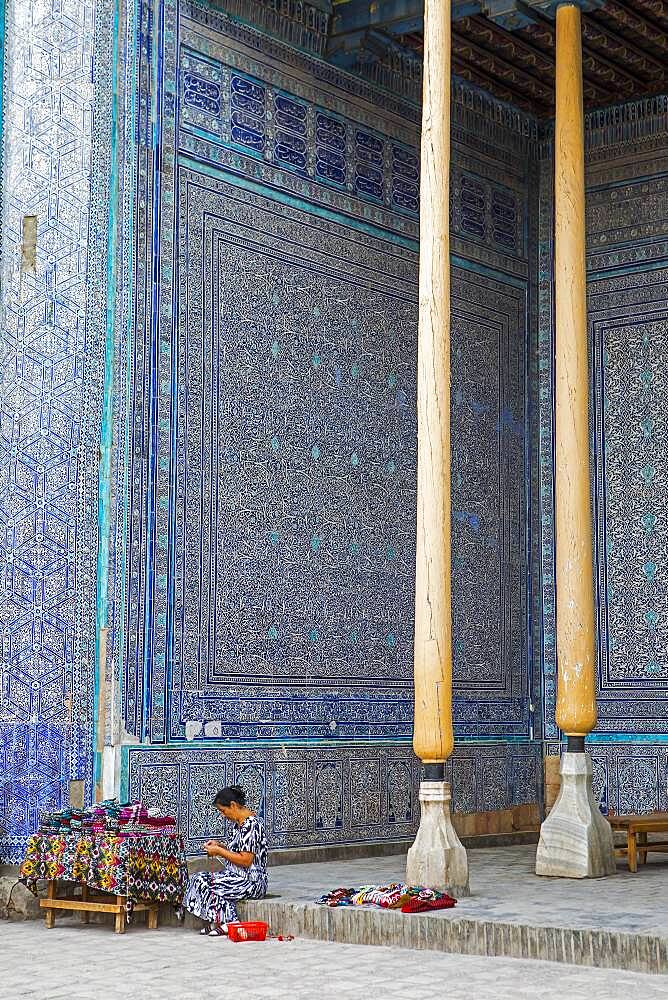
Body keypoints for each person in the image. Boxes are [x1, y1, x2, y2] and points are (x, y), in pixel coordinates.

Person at [182, 785, 268, 936]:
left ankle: (231, 922)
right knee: (197, 879)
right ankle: (219, 921)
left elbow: (246, 860)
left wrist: (220, 851)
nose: (223, 815)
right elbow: (238, 850)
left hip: (252, 882)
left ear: (233, 805)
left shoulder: (252, 825)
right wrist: (219, 845)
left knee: (202, 881)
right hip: (236, 877)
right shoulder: (239, 825)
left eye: (223, 810)